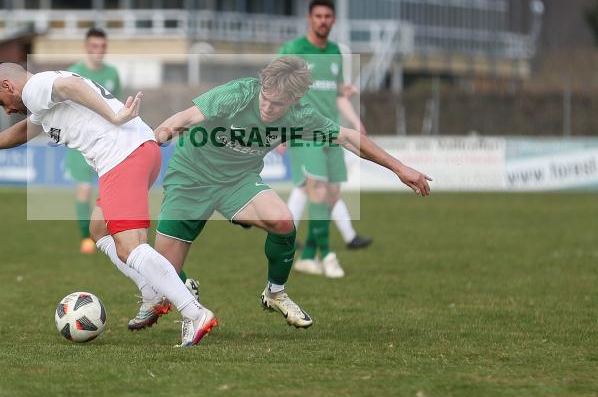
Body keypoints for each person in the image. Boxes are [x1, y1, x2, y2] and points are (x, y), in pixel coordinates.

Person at [117, 57, 430, 336]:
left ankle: (275, 293)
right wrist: (153, 145)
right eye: (265, 98)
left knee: (283, 221)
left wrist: (400, 168)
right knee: (163, 274)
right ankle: (177, 288)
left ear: (294, 101)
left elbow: (348, 138)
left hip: (238, 181)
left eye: (277, 104)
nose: (267, 108)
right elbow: (182, 119)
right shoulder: (238, 94)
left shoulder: (300, 116)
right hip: (191, 178)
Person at [0, 62, 218, 347]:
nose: (6, 110)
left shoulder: (34, 88)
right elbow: (26, 130)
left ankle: (195, 313)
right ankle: (152, 292)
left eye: (1, 102)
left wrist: (114, 116)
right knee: (99, 229)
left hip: (122, 156)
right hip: (135, 152)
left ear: (8, 86)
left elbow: (72, 87)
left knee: (130, 247)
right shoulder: (41, 95)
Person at [278, 0, 371, 279]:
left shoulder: (335, 53)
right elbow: (276, 89)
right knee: (316, 190)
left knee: (331, 195)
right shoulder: (294, 50)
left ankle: (307, 257)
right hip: (303, 133)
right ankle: (328, 255)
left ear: (333, 19)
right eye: (318, 16)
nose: (323, 21)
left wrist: (356, 122)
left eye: (327, 16)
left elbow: (339, 95)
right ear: (310, 18)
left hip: (332, 133)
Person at [65, 28, 123, 254]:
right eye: (94, 46)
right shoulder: (74, 73)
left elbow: (117, 106)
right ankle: (86, 238)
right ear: (86, 47)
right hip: (81, 144)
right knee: (84, 190)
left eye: (102, 46)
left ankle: (110, 233)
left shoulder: (113, 73)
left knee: (110, 193)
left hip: (108, 143)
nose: (99, 50)